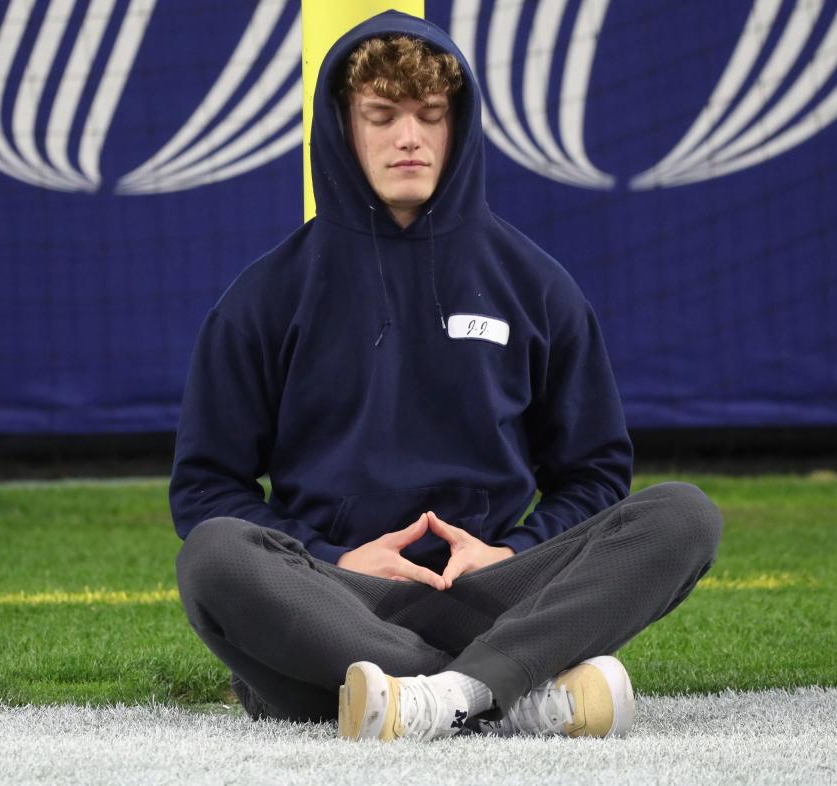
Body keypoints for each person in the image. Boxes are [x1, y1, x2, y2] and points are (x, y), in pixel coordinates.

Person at [171, 10, 722, 743]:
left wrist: (512, 554)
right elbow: (207, 488)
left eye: (431, 116)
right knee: (213, 559)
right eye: (382, 115)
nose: (409, 137)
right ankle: (511, 689)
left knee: (684, 515)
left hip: (493, 592)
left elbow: (594, 472)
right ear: (342, 125)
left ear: (459, 128)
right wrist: (337, 558)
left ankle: (441, 695)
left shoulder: (536, 285)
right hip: (341, 602)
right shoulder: (265, 297)